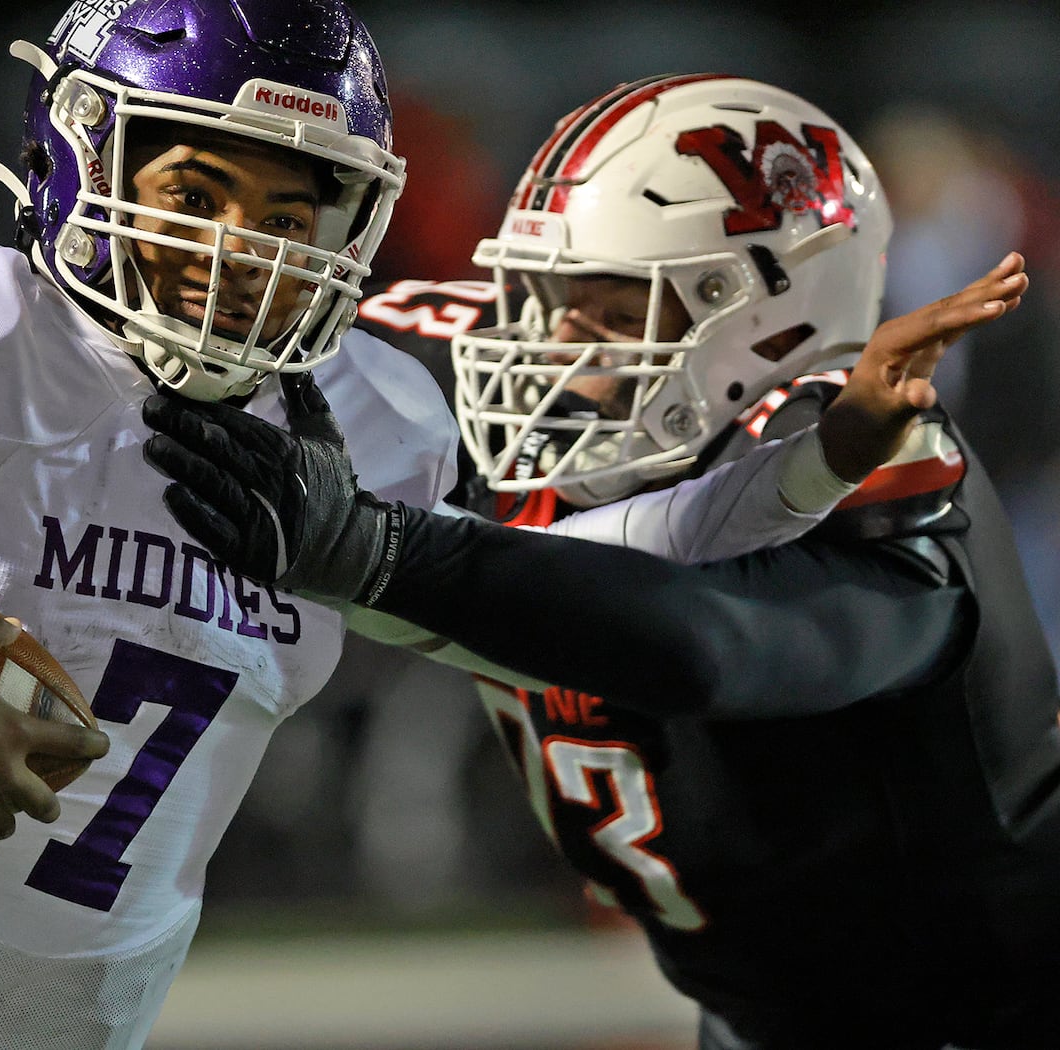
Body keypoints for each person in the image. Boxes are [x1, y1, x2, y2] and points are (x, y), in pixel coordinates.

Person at [0, 27, 977, 1048]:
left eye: (294, 206)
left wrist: (806, 469)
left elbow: (603, 579)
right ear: (88, 167)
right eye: (197, 189)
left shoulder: (362, 435)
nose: (243, 246)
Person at [140, 75, 1057, 1049]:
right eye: (543, 301)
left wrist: (380, 557)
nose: (553, 350)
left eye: (614, 312)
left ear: (767, 319)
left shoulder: (864, 447)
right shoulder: (547, 417)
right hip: (768, 1016)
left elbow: (715, 647)